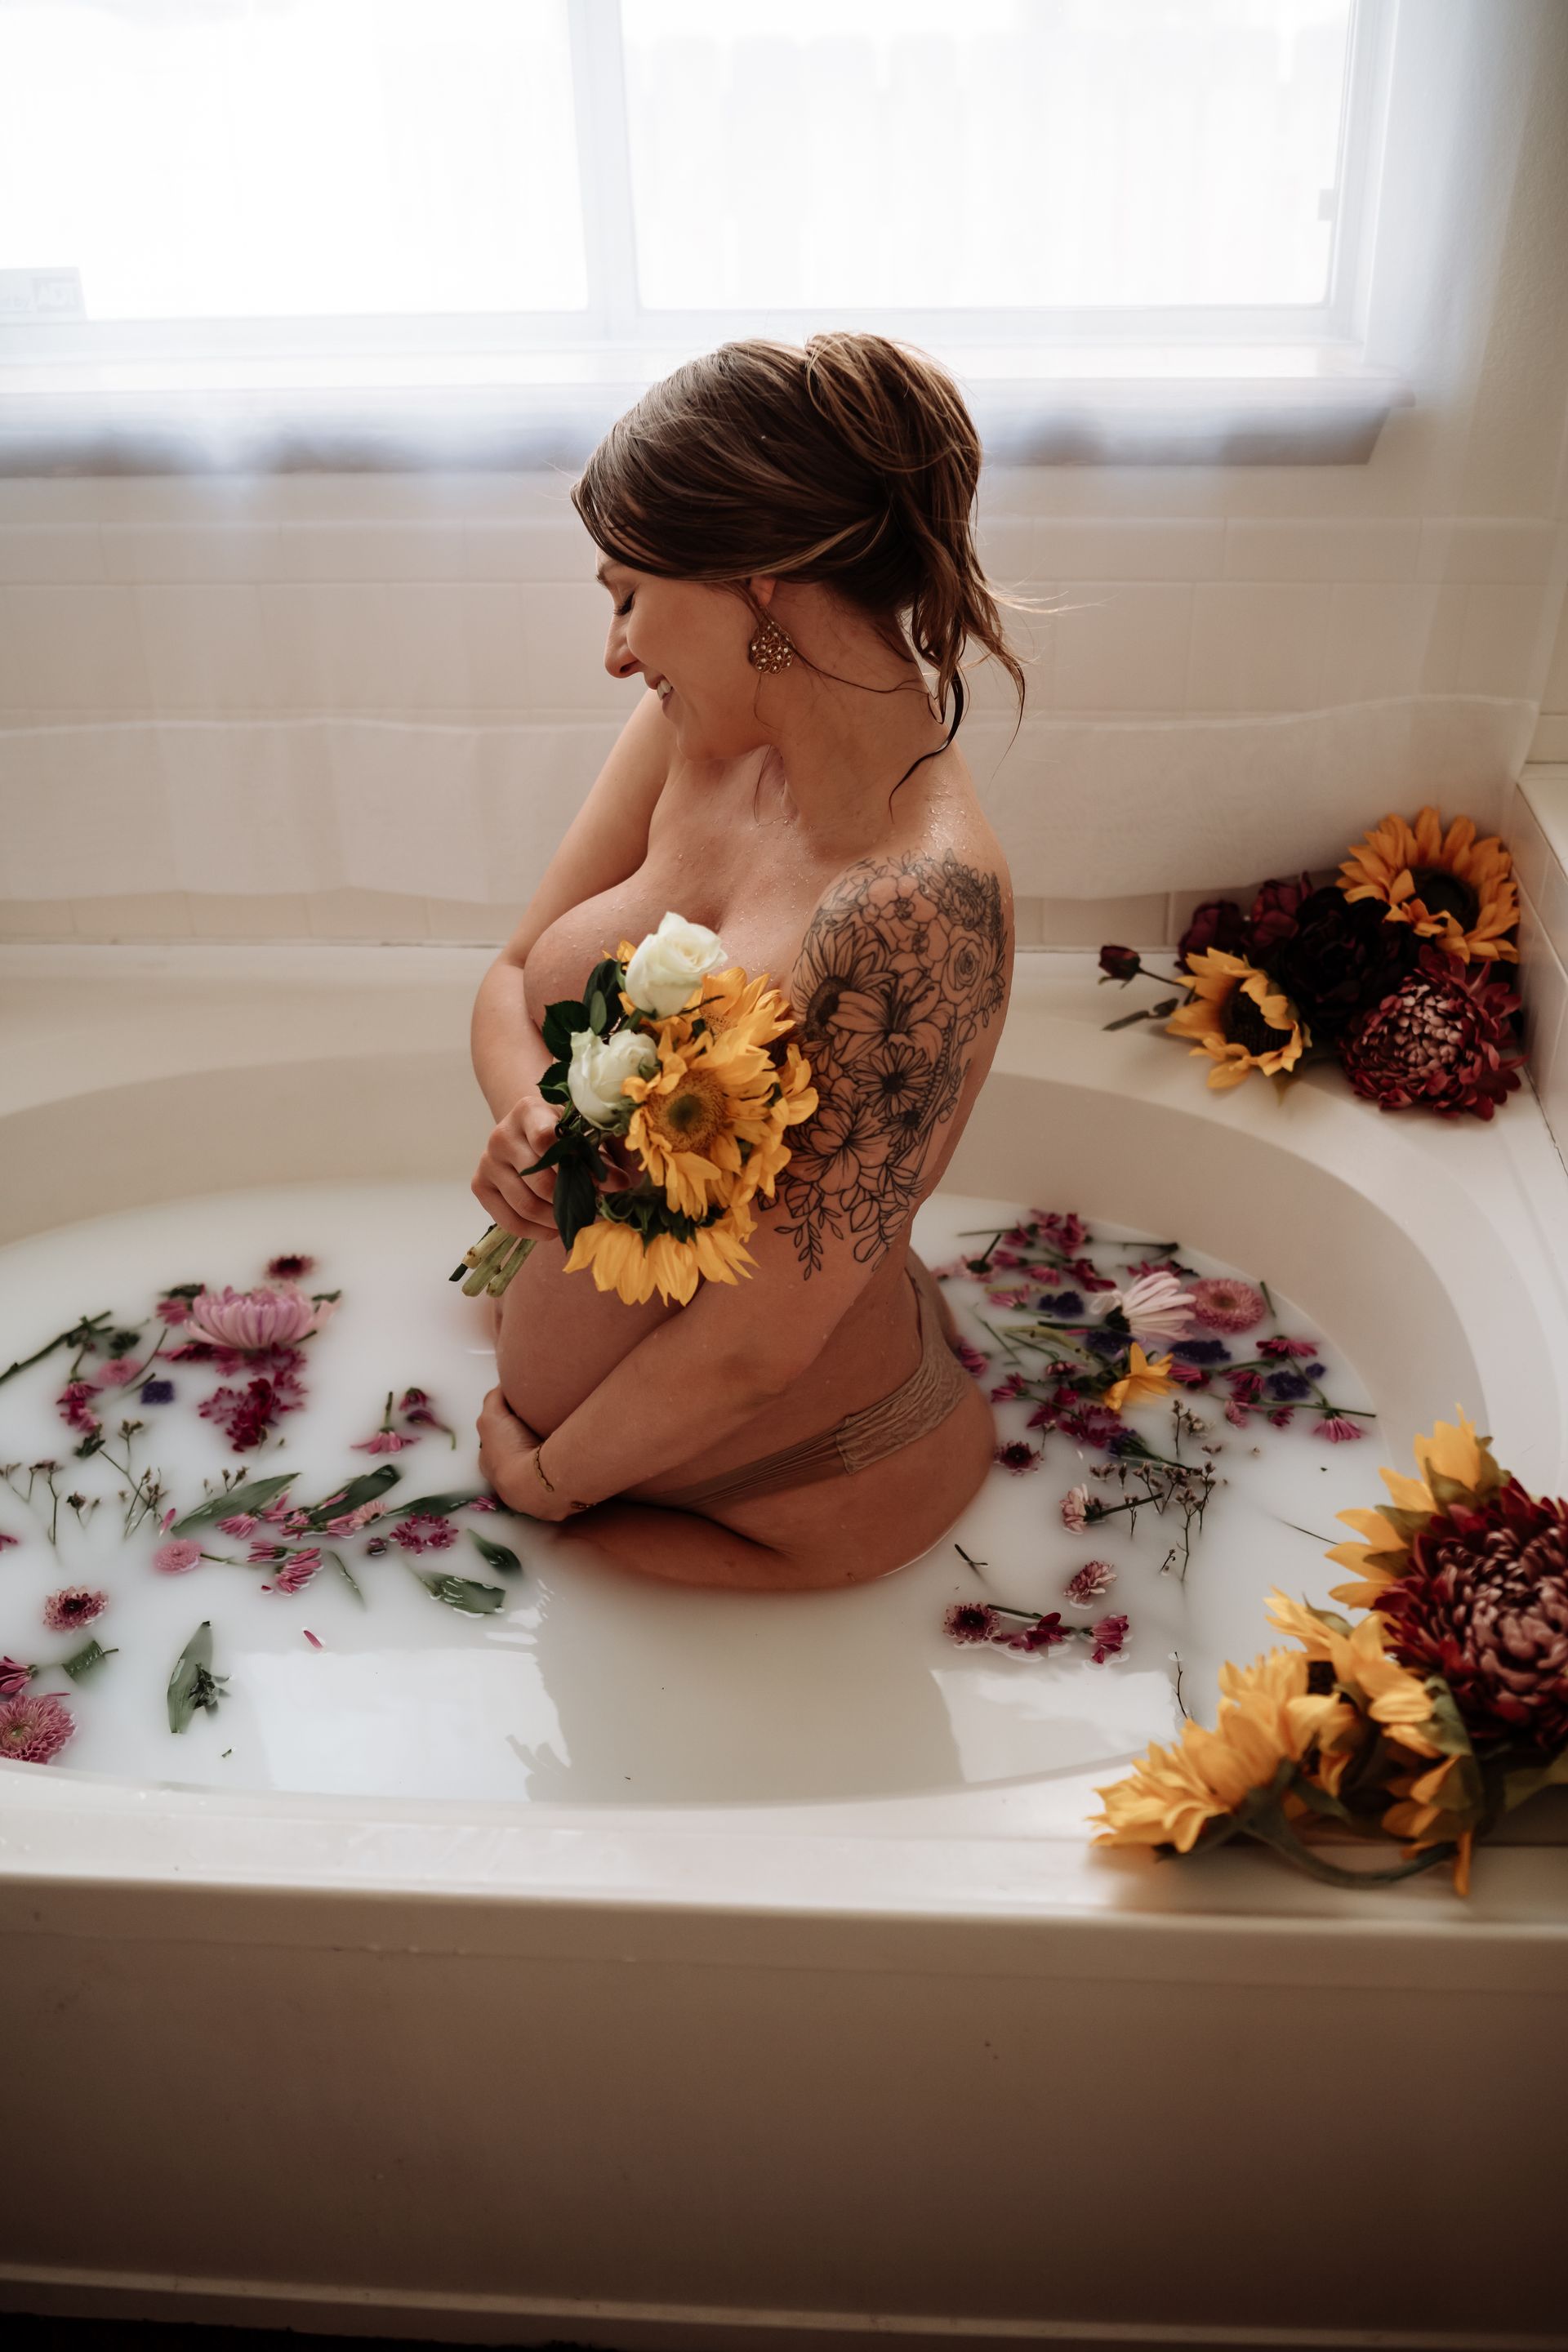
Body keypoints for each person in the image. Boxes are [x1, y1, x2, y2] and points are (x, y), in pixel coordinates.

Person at [470, 332, 1022, 1592]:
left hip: (791, 1490)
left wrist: (545, 1483)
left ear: (758, 581)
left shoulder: (920, 905)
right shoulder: (696, 727)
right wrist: (533, 1120)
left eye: (627, 596)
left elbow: (756, 1351)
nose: (617, 649)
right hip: (602, 1460)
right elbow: (511, 979)